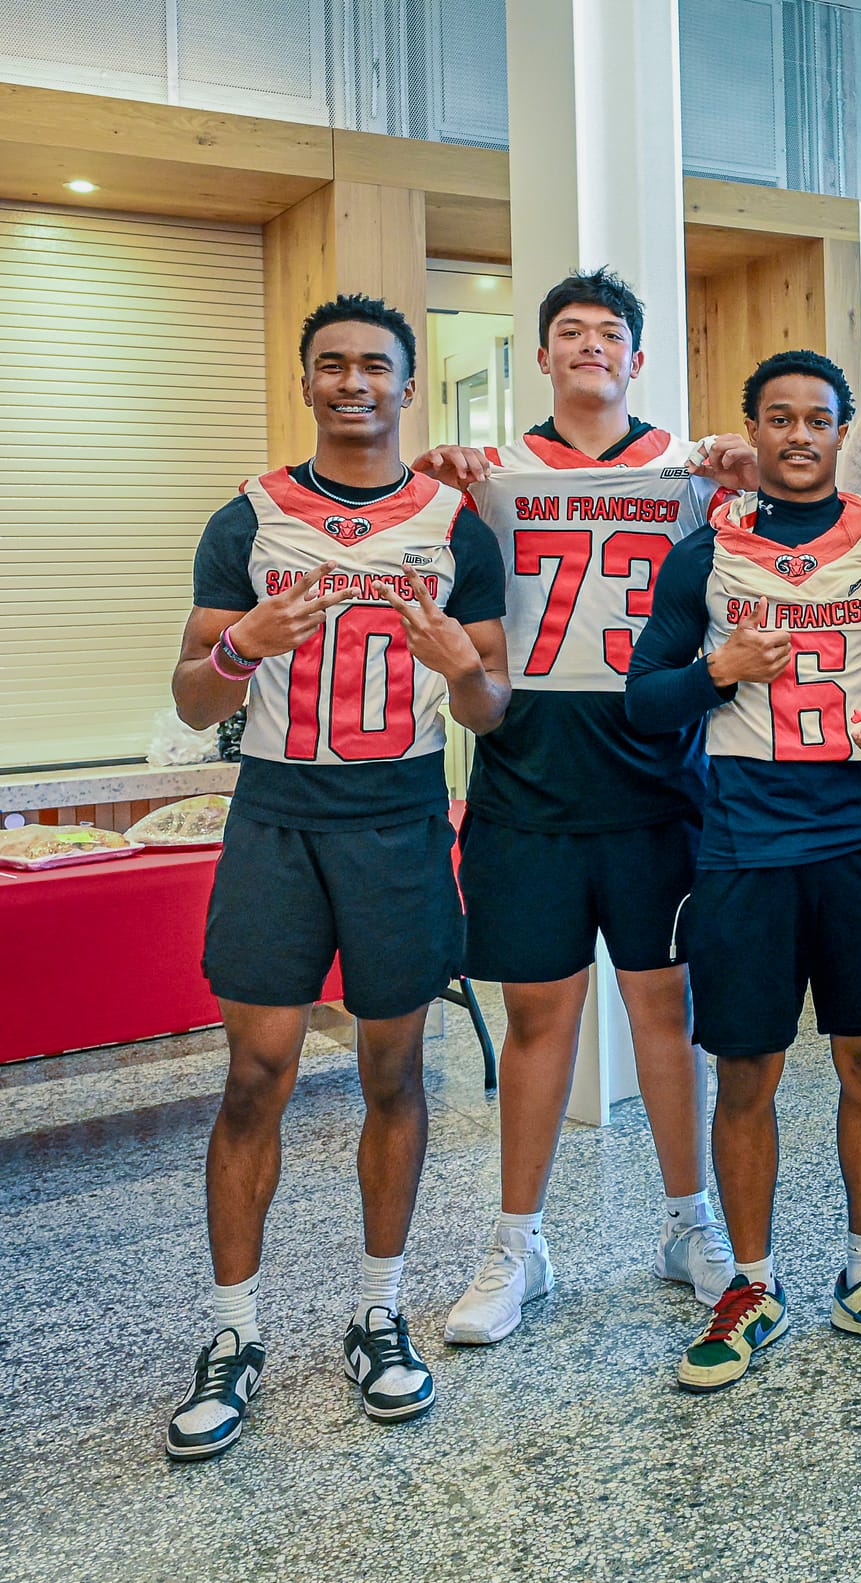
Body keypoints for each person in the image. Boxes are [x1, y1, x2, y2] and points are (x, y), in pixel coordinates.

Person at [164, 294, 511, 1459]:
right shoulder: (250, 514)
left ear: (406, 386)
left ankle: (377, 1312)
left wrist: (462, 668)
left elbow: (491, 707)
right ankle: (232, 1331)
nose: (353, 381)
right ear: (307, 380)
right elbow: (192, 698)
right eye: (332, 364)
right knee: (254, 1075)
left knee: (393, 1069)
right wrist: (241, 646)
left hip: (400, 817)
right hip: (276, 817)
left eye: (374, 365)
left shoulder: (456, 526)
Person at [410, 269, 756, 1346]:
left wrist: (741, 477)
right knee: (538, 1019)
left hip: (659, 780)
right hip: (528, 778)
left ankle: (689, 1223)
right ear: (543, 355)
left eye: (609, 332)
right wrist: (432, 472)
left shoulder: (692, 470)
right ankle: (519, 1242)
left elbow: (771, 553)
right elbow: (413, 532)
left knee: (665, 1011)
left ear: (637, 359)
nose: (590, 345)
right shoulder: (492, 474)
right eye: (570, 331)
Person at [625, 349, 861, 1393]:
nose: (800, 435)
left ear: (840, 432)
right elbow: (643, 700)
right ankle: (751, 1283)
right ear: (754, 431)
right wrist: (716, 669)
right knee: (746, 1075)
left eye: (818, 418)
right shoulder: (701, 556)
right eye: (779, 417)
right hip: (744, 850)